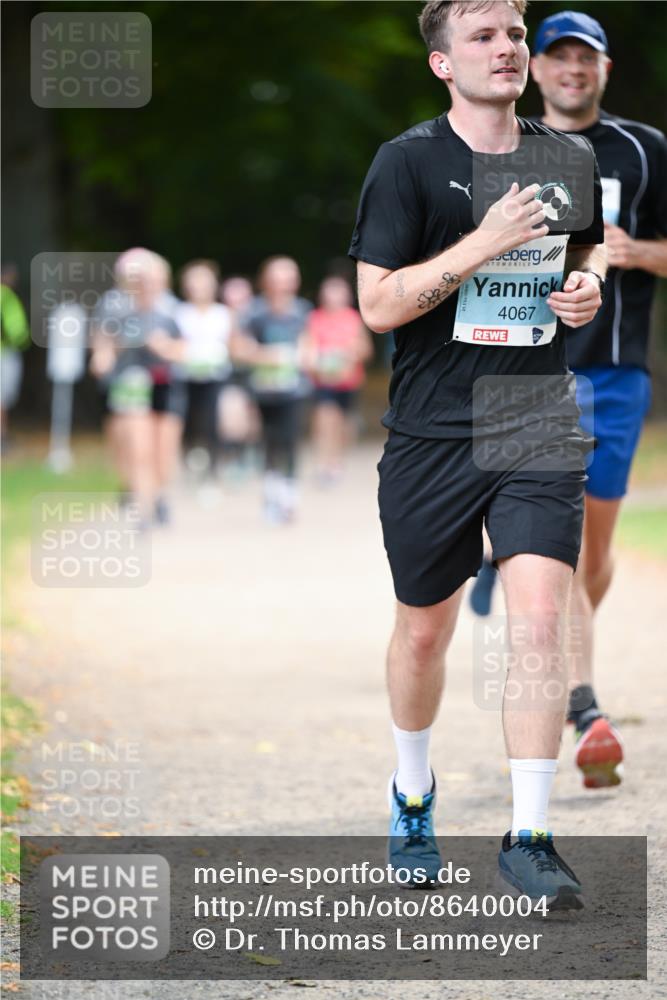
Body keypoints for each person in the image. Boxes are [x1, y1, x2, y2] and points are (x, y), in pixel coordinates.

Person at [349, 0, 605, 904]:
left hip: (530, 410)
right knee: (424, 629)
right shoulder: (406, 162)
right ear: (441, 64)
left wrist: (581, 288)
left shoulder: (563, 157)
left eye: (513, 34)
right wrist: (486, 241)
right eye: (483, 37)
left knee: (537, 619)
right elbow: (379, 305)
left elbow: (589, 252)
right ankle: (412, 795)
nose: (506, 50)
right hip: (430, 427)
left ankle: (528, 835)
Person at [530, 11, 667, 789]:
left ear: (604, 71)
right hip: (528, 373)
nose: (573, 70)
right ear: (538, 69)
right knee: (556, 547)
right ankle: (584, 707)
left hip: (614, 372)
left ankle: (511, 573)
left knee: (591, 553)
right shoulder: (504, 147)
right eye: (560, 57)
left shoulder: (646, 149)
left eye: (587, 58)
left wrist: (633, 251)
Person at [90, 250, 186, 525]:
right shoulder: (116, 308)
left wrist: (165, 348)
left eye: (153, 279)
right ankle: (141, 507)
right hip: (130, 385)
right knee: (138, 447)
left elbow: (186, 349)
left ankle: (159, 495)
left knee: (163, 451)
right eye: (141, 279)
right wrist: (104, 357)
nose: (147, 284)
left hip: (166, 385)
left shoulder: (172, 310)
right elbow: (103, 343)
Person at [232, 256, 312, 523]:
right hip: (262, 390)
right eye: (277, 280)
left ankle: (289, 497)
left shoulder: (301, 310)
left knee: (289, 441)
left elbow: (308, 346)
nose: (282, 285)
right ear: (266, 281)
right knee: (267, 442)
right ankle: (270, 496)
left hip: (293, 389)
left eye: (288, 279)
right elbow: (238, 348)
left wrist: (302, 357)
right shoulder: (254, 312)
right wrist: (267, 356)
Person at [305, 275, 372, 485]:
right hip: (323, 381)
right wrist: (317, 361)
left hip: (349, 382)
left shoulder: (353, 318)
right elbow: (309, 348)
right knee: (325, 420)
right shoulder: (315, 318)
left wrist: (350, 354)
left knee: (345, 426)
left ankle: (337, 461)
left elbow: (365, 350)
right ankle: (324, 463)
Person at [176, 260, 233, 478]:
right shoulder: (180, 312)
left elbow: (232, 344)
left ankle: (214, 469)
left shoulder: (223, 313)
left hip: (215, 376)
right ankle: (189, 463)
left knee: (213, 422)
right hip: (186, 376)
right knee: (188, 422)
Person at [0, 264, 30, 448]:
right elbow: (14, 329)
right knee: (2, 397)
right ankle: (2, 437)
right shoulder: (5, 295)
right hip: (5, 352)